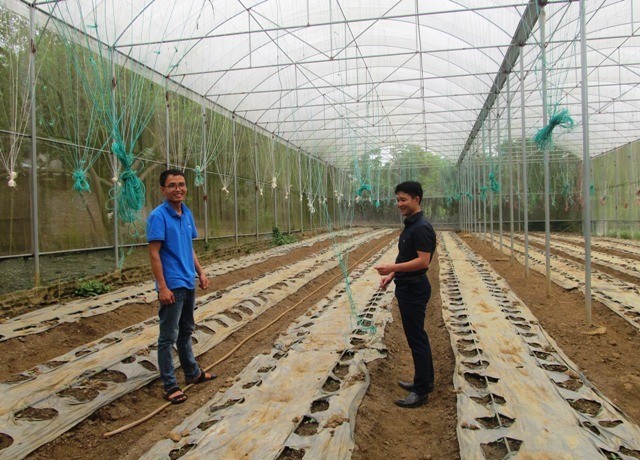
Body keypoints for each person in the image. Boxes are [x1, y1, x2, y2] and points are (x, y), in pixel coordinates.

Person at [147, 169, 215, 404]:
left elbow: (189, 247)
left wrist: (201, 272)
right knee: (168, 337)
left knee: (186, 331)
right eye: (172, 185)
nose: (178, 189)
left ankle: (192, 373)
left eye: (182, 184)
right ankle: (169, 385)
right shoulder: (158, 216)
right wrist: (162, 287)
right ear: (163, 189)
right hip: (172, 284)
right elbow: (154, 254)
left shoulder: (186, 214)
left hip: (188, 280)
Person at [374, 181, 436, 408]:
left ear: (416, 199)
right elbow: (405, 256)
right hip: (407, 286)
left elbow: (423, 261)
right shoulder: (410, 226)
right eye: (397, 200)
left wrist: (391, 268)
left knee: (417, 338)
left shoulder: (421, 227)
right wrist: (391, 277)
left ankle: (422, 390)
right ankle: (424, 381)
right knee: (416, 336)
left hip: (415, 288)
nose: (399, 204)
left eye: (403, 200)